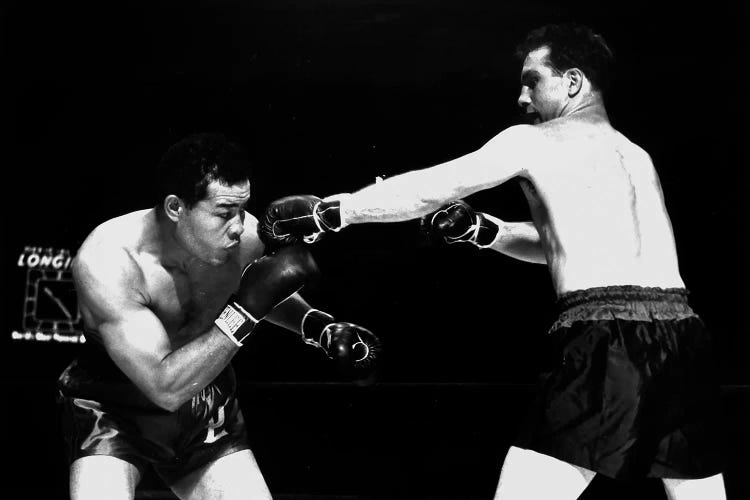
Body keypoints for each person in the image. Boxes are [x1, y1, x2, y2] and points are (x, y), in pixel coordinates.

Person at [257, 23, 726, 500]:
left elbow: (433, 187)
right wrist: (486, 232)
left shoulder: (534, 140)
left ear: (573, 82)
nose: (522, 98)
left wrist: (332, 211)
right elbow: (570, 245)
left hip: (607, 339)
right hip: (685, 338)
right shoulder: (635, 156)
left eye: (532, 80)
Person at [56, 132, 381, 500]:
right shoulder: (109, 261)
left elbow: (261, 291)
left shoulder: (242, 240)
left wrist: (317, 326)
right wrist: (246, 310)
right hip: (113, 408)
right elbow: (165, 387)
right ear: (176, 208)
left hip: (205, 401)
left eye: (243, 209)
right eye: (225, 213)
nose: (240, 226)